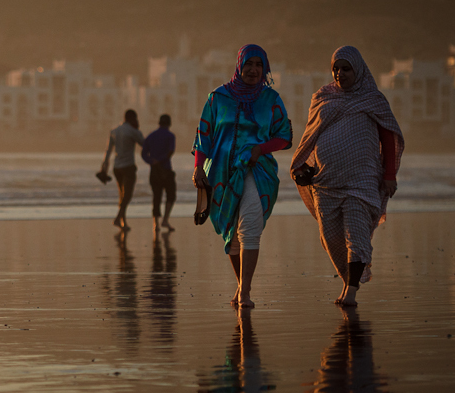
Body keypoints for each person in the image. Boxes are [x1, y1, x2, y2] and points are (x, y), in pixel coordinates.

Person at [290, 46, 404, 306]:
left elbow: (388, 137)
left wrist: (389, 174)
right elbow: (310, 136)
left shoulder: (373, 99)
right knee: (330, 239)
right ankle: (348, 280)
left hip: (361, 180)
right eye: (336, 68)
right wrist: (300, 167)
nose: (339, 73)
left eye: (346, 68)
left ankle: (351, 291)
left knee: (358, 235)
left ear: (359, 70)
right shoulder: (322, 97)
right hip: (325, 183)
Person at [192, 44, 293, 308]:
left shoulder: (271, 100)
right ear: (239, 66)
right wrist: (198, 168)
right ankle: (241, 286)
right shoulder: (218, 97)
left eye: (259, 65)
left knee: (250, 225)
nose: (253, 70)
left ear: (265, 68)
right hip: (222, 174)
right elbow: (204, 136)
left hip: (257, 171)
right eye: (249, 64)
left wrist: (260, 149)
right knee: (231, 236)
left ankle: (245, 291)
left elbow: (284, 136)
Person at [100, 109, 145, 230]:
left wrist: (104, 168)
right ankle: (118, 218)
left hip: (117, 167)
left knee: (122, 195)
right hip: (128, 167)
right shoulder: (132, 131)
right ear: (132, 119)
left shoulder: (114, 131)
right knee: (128, 195)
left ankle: (123, 222)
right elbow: (144, 144)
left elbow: (108, 152)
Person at [141, 114, 177, 233]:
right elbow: (170, 152)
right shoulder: (170, 136)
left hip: (154, 170)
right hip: (166, 169)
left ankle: (155, 224)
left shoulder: (151, 136)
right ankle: (165, 220)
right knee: (171, 195)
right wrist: (161, 160)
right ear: (169, 123)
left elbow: (143, 153)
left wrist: (152, 161)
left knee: (156, 197)